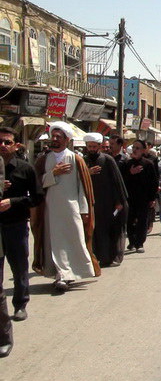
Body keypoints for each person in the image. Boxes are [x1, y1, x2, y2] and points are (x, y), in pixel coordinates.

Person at [31, 122, 100, 291]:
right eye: (52, 136)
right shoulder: (43, 159)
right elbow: (36, 183)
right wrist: (52, 174)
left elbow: (82, 187)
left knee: (73, 241)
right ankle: (59, 275)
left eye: (58, 137)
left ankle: (71, 273)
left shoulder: (76, 159)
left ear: (67, 140)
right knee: (53, 242)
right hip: (50, 209)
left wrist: (84, 210)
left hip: (72, 209)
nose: (54, 139)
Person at [0, 127, 43, 327]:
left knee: (18, 267)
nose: (2, 145)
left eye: (7, 142)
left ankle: (20, 304)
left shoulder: (25, 168)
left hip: (15, 225)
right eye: (0, 141)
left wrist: (13, 201)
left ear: (16, 145)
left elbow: (36, 198)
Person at [83, 133, 128, 267]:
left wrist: (119, 201)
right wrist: (87, 173)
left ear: (99, 146)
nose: (91, 148)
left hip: (107, 203)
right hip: (89, 202)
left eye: (94, 146)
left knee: (107, 230)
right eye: (89, 146)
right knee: (92, 231)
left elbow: (117, 182)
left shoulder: (107, 160)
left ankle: (108, 257)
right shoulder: (82, 160)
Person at [120, 140, 158, 253]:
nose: (135, 150)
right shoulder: (127, 164)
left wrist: (152, 198)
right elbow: (121, 181)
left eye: (138, 148)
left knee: (142, 221)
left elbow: (154, 182)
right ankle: (132, 241)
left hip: (144, 198)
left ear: (143, 150)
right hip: (130, 198)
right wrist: (130, 173)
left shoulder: (148, 164)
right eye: (134, 147)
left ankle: (140, 243)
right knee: (130, 220)